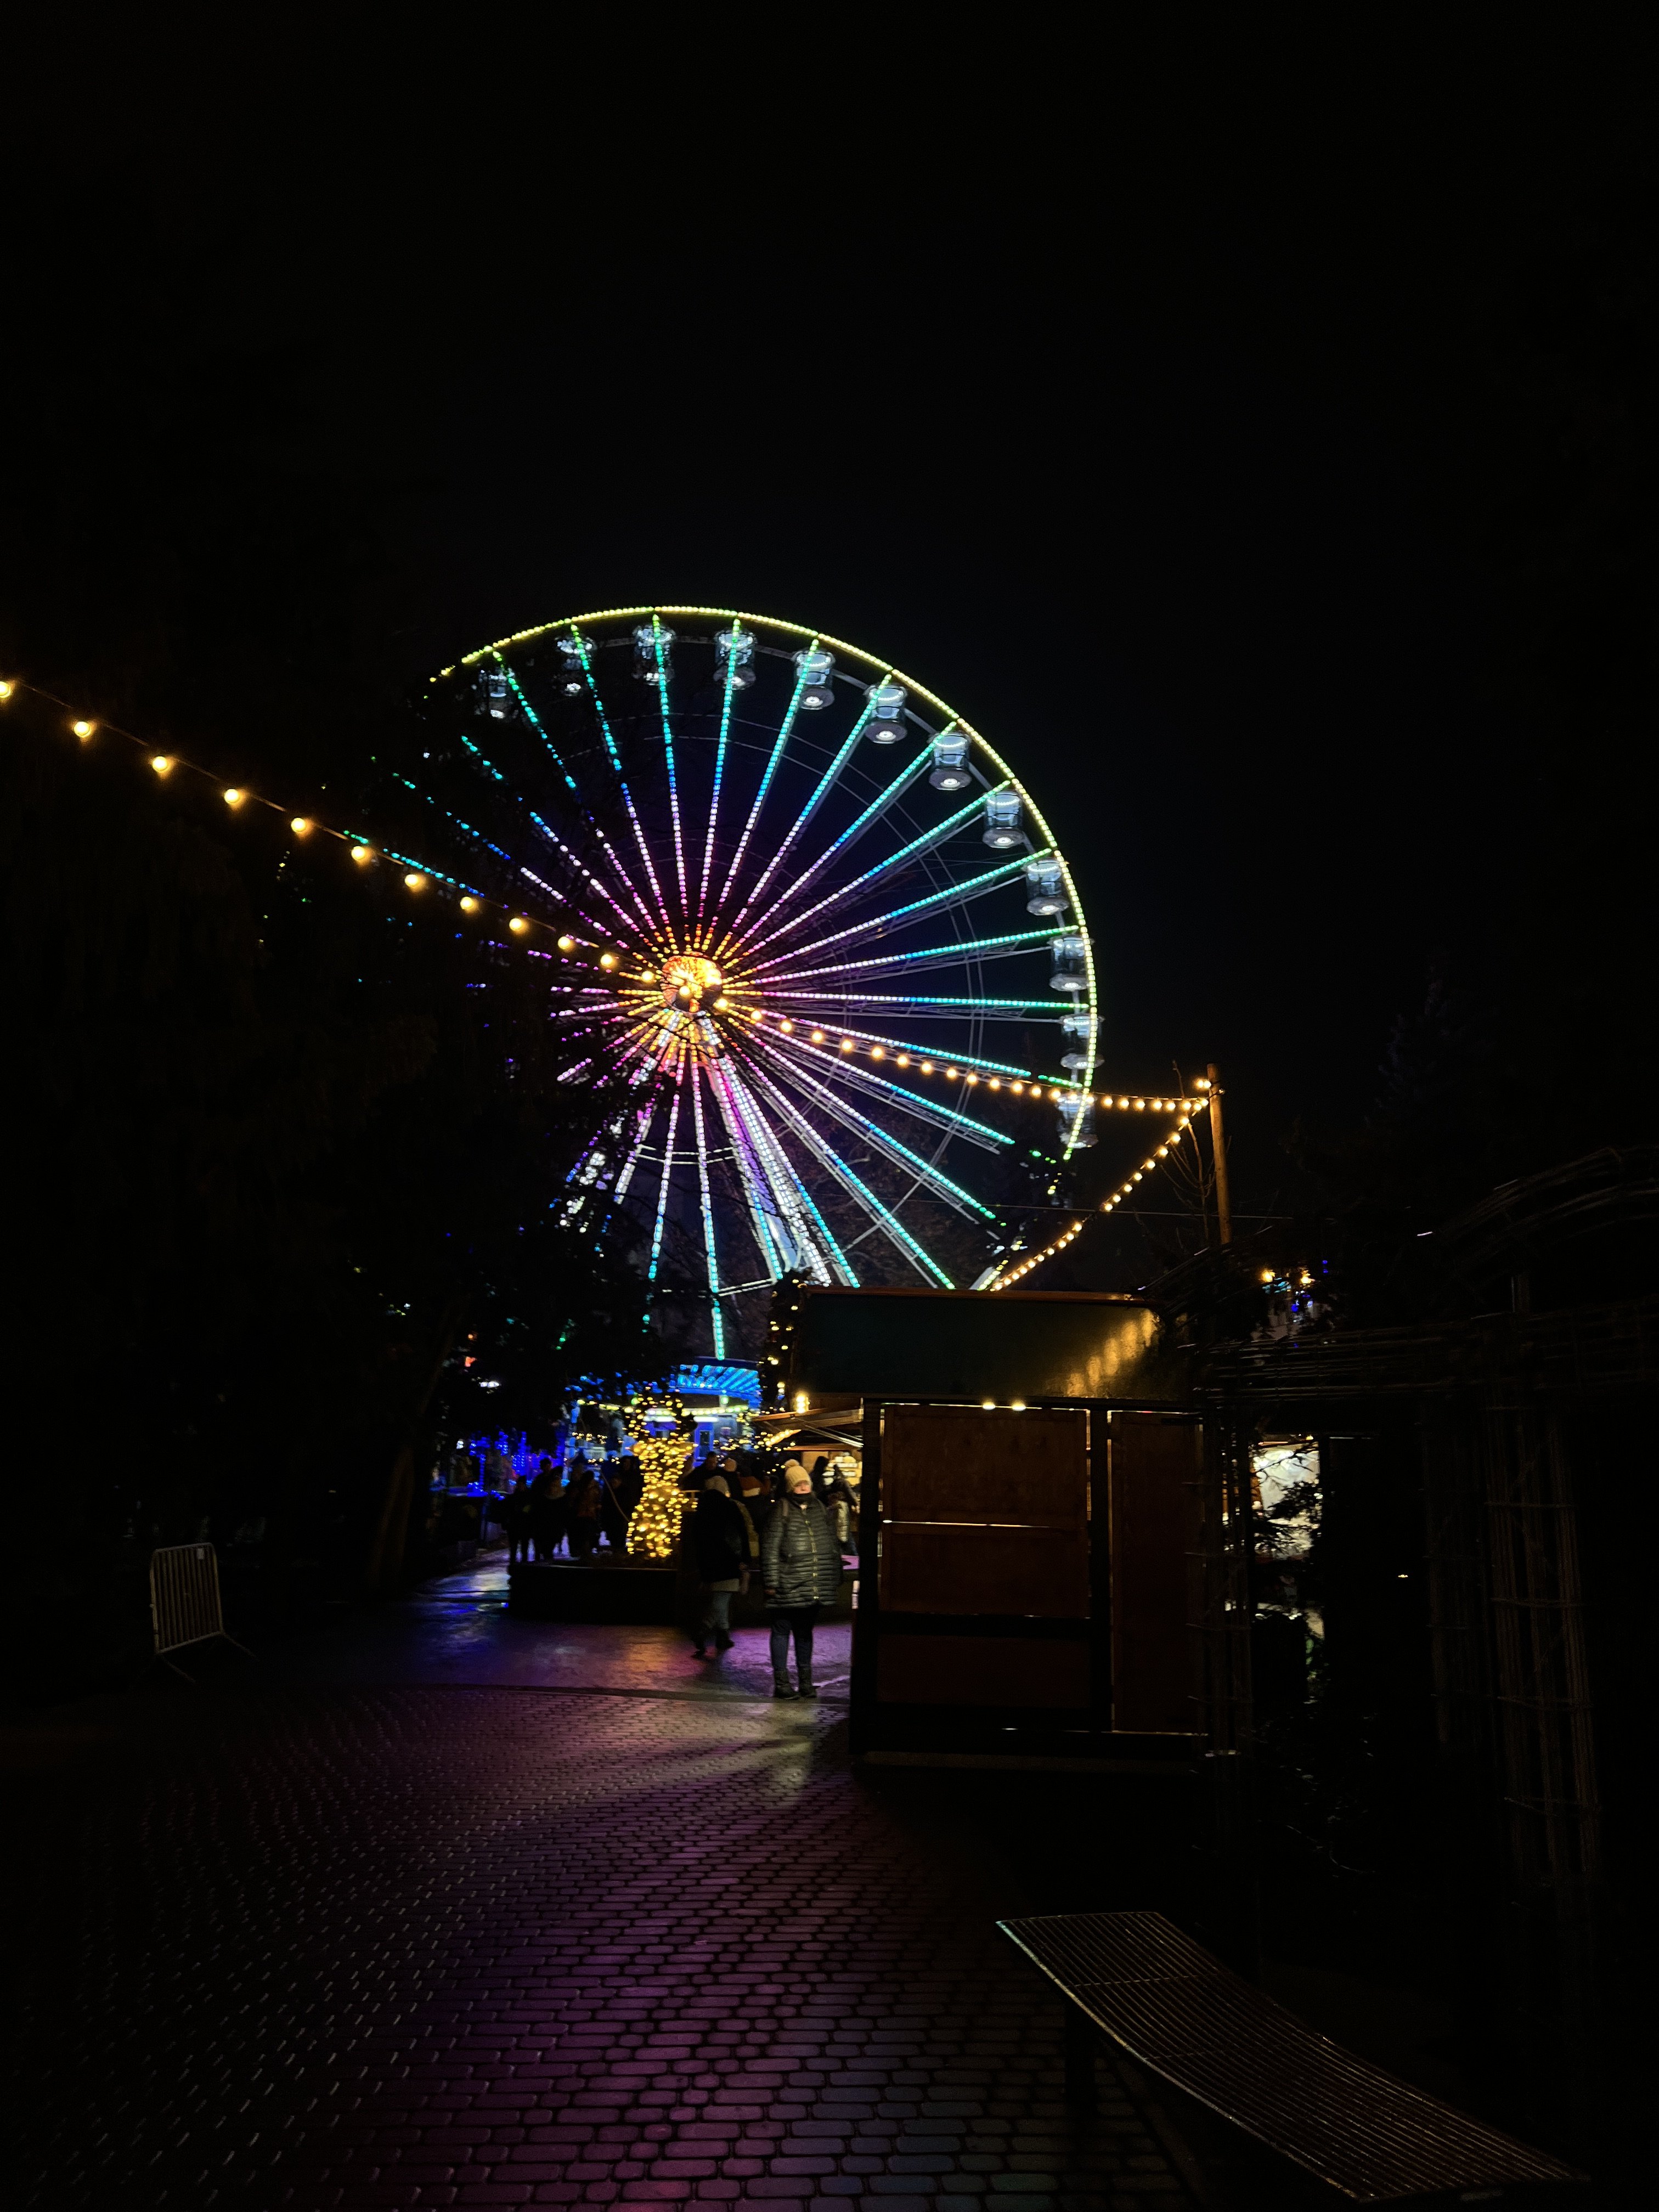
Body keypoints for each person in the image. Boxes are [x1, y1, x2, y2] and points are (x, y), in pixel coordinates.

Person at [760, 1460, 843, 1700]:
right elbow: (770, 1548)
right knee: (782, 1631)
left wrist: (834, 1575)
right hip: (787, 1584)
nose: (804, 1487)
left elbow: (831, 1543)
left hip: (811, 1585)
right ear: (790, 1487)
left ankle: (806, 1682)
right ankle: (782, 1684)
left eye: (806, 1483)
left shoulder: (819, 1508)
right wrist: (771, 1582)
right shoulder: (782, 1509)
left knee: (805, 1633)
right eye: (798, 1484)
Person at [689, 1475, 748, 1659]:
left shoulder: (702, 1509)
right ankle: (703, 1630)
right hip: (729, 1559)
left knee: (721, 1595)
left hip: (708, 1561)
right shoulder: (730, 1507)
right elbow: (740, 1534)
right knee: (722, 1598)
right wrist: (743, 1558)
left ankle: (723, 1635)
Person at [566, 1462, 602, 1561]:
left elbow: (597, 1498)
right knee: (583, 1534)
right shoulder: (580, 1486)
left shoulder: (593, 1487)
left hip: (589, 1514)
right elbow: (573, 1499)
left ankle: (586, 1552)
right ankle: (582, 1552)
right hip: (582, 1514)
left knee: (588, 1534)